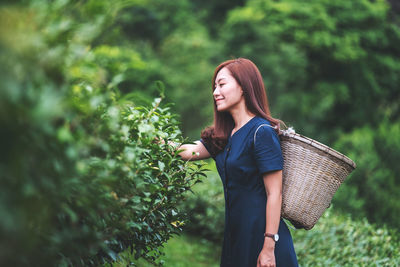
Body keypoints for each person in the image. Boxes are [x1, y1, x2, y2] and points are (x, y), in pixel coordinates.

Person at [176, 58, 298, 267]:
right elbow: (187, 151)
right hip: (236, 237)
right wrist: (151, 138)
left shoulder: (262, 132)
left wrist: (268, 247)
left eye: (222, 84)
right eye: (214, 86)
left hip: (263, 240)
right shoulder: (223, 136)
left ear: (243, 87)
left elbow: (274, 193)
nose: (215, 92)